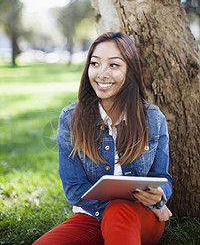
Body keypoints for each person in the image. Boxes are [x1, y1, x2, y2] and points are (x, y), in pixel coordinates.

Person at [33, 32, 172, 245]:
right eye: (95, 64)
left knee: (118, 210)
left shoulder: (153, 119)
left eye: (114, 65)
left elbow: (162, 176)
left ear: (130, 71)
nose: (101, 74)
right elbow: (74, 189)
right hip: (92, 217)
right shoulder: (70, 118)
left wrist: (159, 197)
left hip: (140, 217)